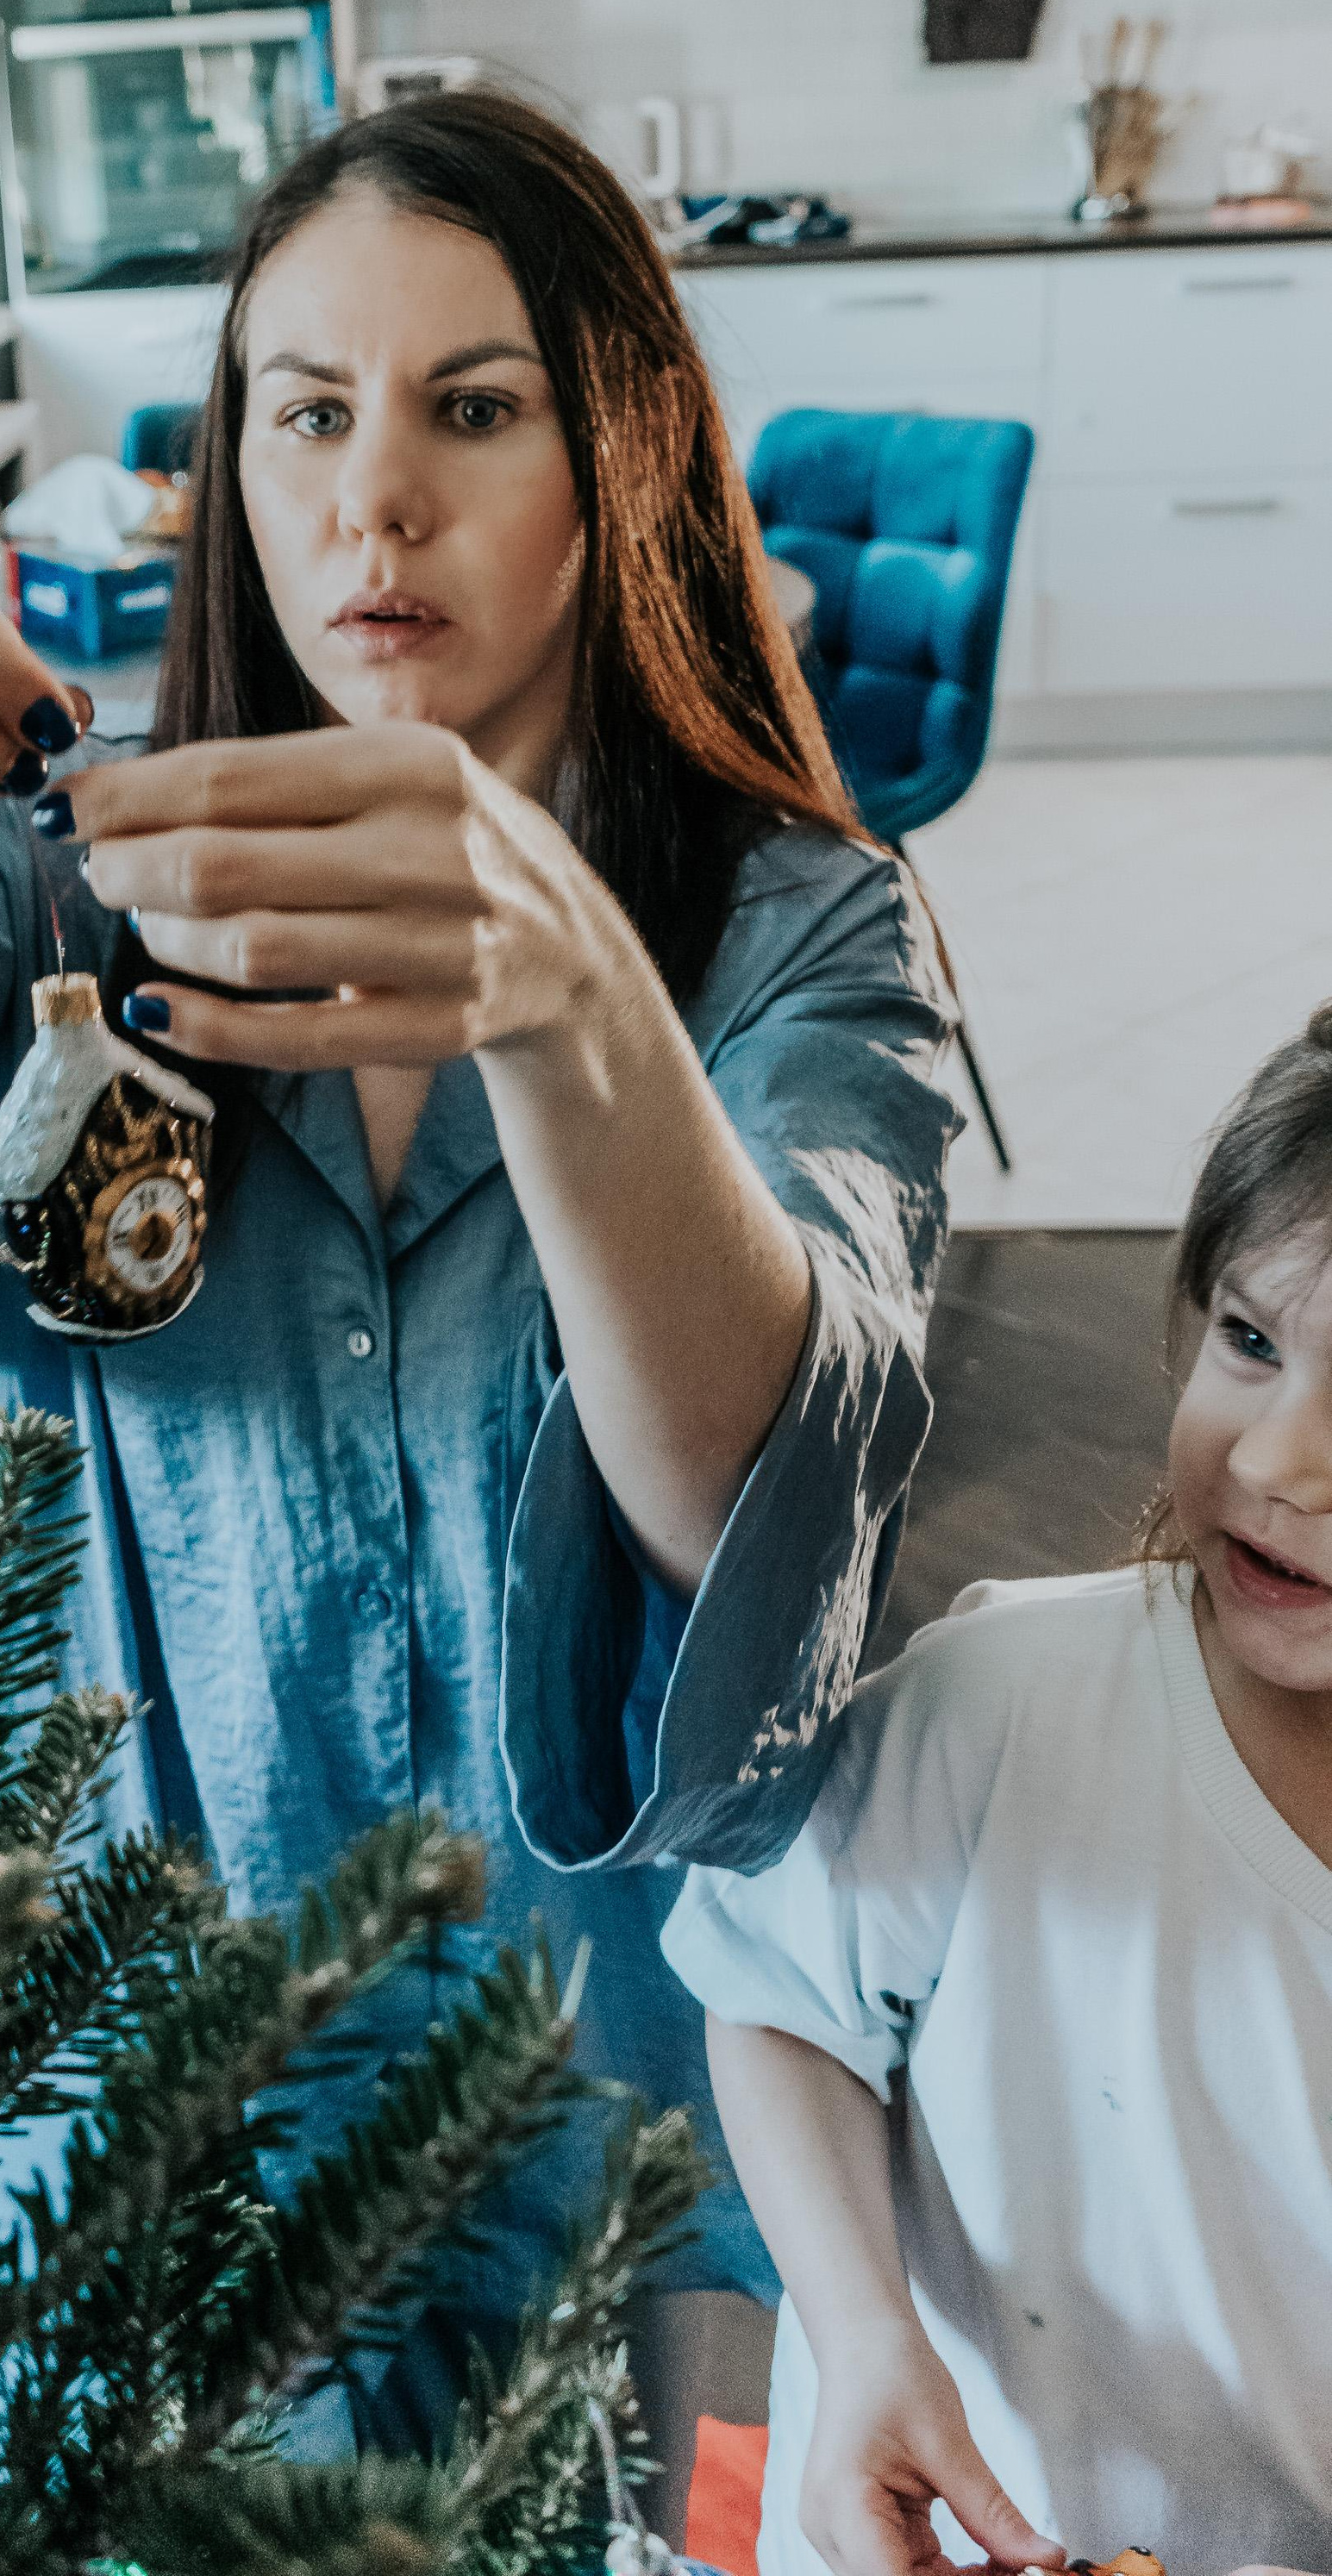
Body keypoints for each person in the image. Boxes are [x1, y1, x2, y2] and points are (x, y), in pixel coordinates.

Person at [0, 90, 959, 2473]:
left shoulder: (796, 943)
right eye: (304, 413)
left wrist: (567, 1008)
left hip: (653, 2177)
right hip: (153, 2171)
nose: (375, 503)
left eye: (475, 407)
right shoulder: (59, 911)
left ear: (622, 455)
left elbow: (772, 1530)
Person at [662, 1009, 1332, 2576]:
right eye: (1252, 1342)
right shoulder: (1007, 1706)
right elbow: (774, 1996)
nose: (1285, 1456)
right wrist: (862, 2332)